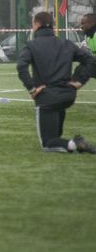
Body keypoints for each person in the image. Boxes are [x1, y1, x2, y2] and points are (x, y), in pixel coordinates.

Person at [17, 11, 95, 154]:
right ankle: (65, 142)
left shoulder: (31, 45)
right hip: (67, 96)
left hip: (47, 98)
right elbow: (90, 60)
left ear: (37, 24)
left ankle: (75, 144)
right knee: (55, 136)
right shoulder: (66, 44)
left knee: (47, 144)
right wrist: (79, 81)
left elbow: (21, 67)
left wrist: (32, 89)